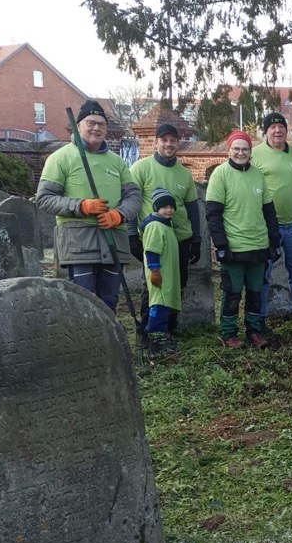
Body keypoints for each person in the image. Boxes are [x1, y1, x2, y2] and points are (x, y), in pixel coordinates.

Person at [35, 99, 141, 311]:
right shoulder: (60, 158)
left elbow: (134, 196)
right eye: (91, 122)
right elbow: (44, 198)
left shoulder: (116, 162)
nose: (96, 128)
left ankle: (109, 343)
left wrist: (119, 215)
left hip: (113, 239)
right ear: (79, 125)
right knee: (84, 304)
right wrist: (82, 206)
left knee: (109, 300)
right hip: (79, 243)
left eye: (101, 124)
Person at [206, 131, 281, 348]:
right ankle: (229, 333)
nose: (241, 153)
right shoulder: (220, 175)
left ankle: (254, 331)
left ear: (250, 152)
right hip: (234, 248)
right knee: (232, 293)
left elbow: (269, 212)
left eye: (245, 149)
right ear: (229, 150)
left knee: (256, 293)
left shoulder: (258, 176)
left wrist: (274, 241)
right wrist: (220, 245)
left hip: (258, 246)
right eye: (236, 149)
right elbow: (213, 214)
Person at [128, 121, 200, 339]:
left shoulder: (184, 173)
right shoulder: (140, 168)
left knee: (177, 285)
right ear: (156, 142)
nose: (169, 144)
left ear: (178, 143)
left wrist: (196, 238)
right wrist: (132, 235)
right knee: (154, 284)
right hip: (155, 241)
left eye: (173, 140)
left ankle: (170, 328)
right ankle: (147, 332)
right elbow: (132, 202)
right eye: (164, 140)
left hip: (180, 239)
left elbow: (193, 209)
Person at [251, 111, 292, 328]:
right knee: (263, 274)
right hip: (267, 227)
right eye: (272, 127)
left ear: (287, 131)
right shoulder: (255, 154)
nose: (277, 131)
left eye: (281, 127)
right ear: (266, 131)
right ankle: (259, 317)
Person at [141, 188, 181, 354]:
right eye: (165, 207)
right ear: (156, 208)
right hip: (160, 276)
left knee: (164, 307)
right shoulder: (155, 226)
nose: (169, 210)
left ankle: (162, 338)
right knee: (159, 307)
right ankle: (156, 342)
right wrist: (155, 271)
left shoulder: (167, 226)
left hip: (168, 276)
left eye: (171, 206)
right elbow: (152, 250)